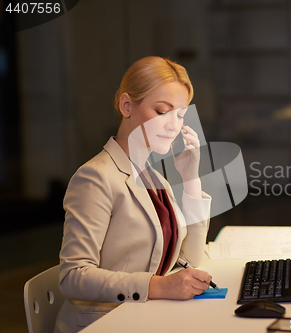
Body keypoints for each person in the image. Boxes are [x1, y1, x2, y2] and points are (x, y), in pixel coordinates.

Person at [54, 56, 212, 333]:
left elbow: (191, 259)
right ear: (127, 106)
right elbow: (73, 276)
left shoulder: (154, 178)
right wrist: (159, 285)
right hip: (104, 324)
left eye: (180, 115)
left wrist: (190, 179)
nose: (174, 126)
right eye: (162, 111)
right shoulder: (95, 177)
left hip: (146, 318)